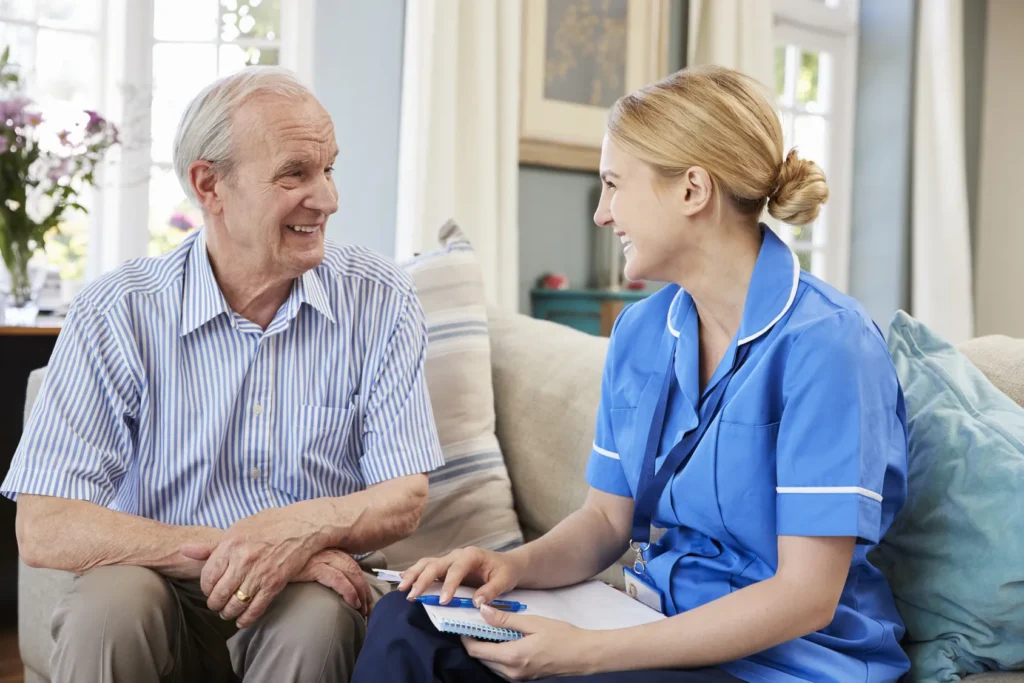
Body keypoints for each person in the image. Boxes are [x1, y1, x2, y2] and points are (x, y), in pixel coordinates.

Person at [352, 65, 910, 683]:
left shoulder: (829, 344)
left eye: (614, 185)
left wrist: (584, 652)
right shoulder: (642, 332)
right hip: (649, 623)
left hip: (780, 663)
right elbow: (604, 522)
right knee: (410, 619)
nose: (601, 214)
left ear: (693, 190)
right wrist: (507, 566)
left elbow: (805, 597)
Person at [2, 66, 445, 683]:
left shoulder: (379, 297)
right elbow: (45, 526)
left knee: (316, 620)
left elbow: (404, 496)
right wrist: (261, 551)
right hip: (161, 585)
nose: (328, 199)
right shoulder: (118, 309)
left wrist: (298, 533)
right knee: (110, 608)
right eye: (295, 173)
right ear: (209, 185)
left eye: (329, 169)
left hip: (307, 596)